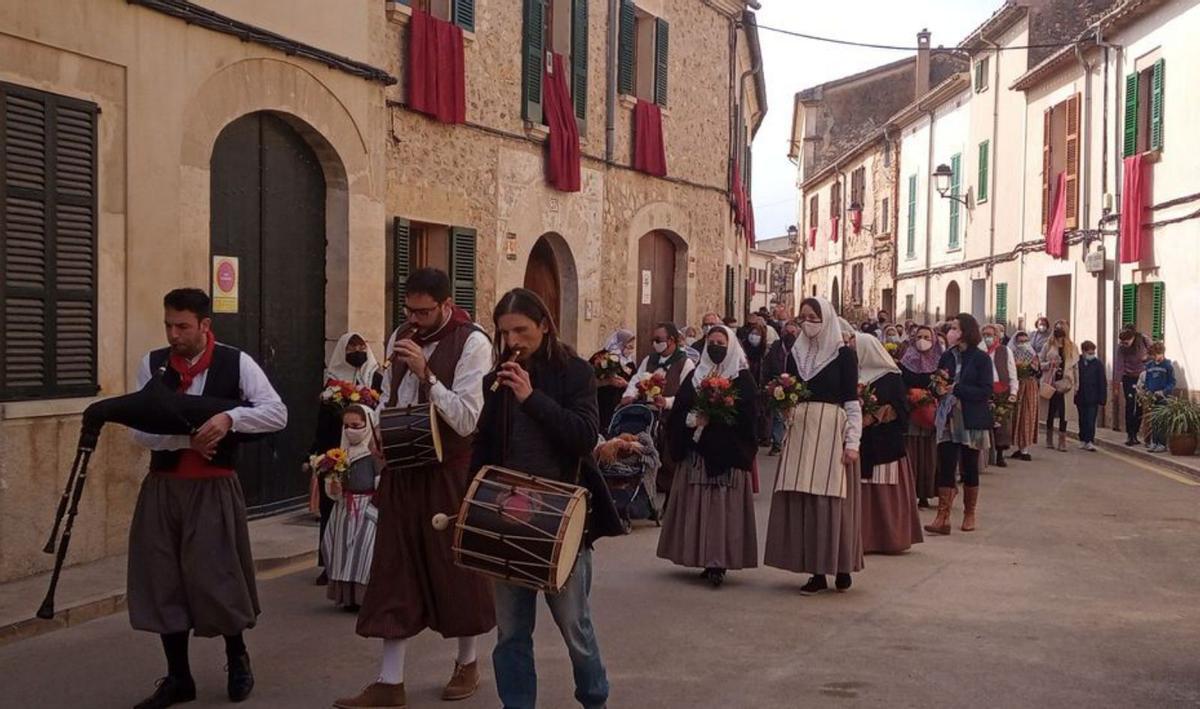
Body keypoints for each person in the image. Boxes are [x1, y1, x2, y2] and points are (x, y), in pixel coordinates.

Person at [337, 268, 494, 709]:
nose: (416, 320)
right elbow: (388, 394)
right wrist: (379, 428)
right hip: (404, 469)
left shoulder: (474, 343)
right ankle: (390, 681)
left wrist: (427, 374)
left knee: (454, 567)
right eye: (410, 311)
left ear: (446, 305)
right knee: (394, 565)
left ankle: (467, 662)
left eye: (425, 312)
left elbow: (466, 418)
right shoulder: (399, 335)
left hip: (448, 470)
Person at [128, 289, 287, 709]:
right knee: (163, 580)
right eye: (168, 325)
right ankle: (179, 677)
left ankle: (237, 659)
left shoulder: (236, 363)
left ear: (204, 325)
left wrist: (228, 417)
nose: (173, 334)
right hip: (163, 487)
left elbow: (276, 412)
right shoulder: (152, 364)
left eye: (182, 326)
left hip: (214, 487)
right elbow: (139, 430)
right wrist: (186, 440)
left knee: (218, 578)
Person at [471, 288, 623, 709]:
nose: (514, 341)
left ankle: (594, 698)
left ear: (544, 325)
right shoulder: (496, 378)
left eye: (522, 330)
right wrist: (471, 502)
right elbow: (484, 444)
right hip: (508, 512)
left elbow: (583, 437)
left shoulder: (575, 373)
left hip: (563, 515)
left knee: (575, 627)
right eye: (505, 334)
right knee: (511, 632)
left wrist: (530, 398)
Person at [763, 297, 864, 594]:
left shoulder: (844, 355)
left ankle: (840, 564)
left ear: (827, 319)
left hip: (831, 429)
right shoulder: (796, 354)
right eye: (803, 316)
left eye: (813, 316)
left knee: (830, 500)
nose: (807, 322)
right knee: (804, 500)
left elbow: (851, 401)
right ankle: (816, 571)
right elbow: (791, 390)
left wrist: (853, 441)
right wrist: (783, 403)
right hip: (802, 430)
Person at [657, 325, 759, 587]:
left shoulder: (741, 378)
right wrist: (692, 419)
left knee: (721, 509)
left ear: (731, 345)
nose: (715, 346)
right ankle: (702, 555)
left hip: (728, 455)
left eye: (721, 342)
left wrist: (718, 418)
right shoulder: (696, 375)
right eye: (711, 341)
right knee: (699, 506)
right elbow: (680, 408)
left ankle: (719, 561)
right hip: (698, 455)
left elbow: (750, 417)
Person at [313, 332, 383, 586]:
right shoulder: (332, 384)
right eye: (351, 346)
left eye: (360, 345)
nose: (356, 350)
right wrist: (316, 454)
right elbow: (322, 422)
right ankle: (329, 564)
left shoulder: (376, 377)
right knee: (331, 509)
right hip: (336, 450)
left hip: (367, 450)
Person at [924, 314, 993, 535]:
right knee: (945, 464)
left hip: (970, 418)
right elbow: (937, 381)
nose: (951, 331)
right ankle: (942, 516)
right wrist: (937, 388)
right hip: (948, 417)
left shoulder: (981, 358)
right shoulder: (947, 356)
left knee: (969, 466)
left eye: (955, 327)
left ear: (966, 331)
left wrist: (958, 389)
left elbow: (985, 390)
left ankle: (969, 513)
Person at [856, 335, 922, 554]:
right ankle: (863, 538)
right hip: (861, 442)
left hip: (885, 442)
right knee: (863, 490)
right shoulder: (854, 375)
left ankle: (889, 538)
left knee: (884, 491)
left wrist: (879, 415)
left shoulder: (891, 376)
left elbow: (902, 410)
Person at [623, 323, 696, 500]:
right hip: (647, 412)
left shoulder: (685, 363)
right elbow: (636, 379)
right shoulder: (650, 360)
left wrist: (668, 402)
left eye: (659, 340)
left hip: (670, 416)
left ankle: (670, 495)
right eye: (653, 340)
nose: (655, 344)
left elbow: (687, 393)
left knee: (669, 456)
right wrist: (629, 394)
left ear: (671, 341)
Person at [321, 404, 382, 611]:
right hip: (344, 509)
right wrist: (335, 487)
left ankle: (365, 598)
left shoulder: (374, 453)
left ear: (367, 424)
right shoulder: (341, 453)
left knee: (365, 552)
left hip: (367, 509)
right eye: (346, 426)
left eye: (356, 425)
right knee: (340, 551)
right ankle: (347, 597)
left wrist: (375, 506)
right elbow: (333, 486)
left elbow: (381, 482)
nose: (350, 430)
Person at [898, 325, 942, 507]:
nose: (922, 340)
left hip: (931, 414)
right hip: (912, 413)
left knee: (929, 454)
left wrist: (932, 397)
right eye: (919, 337)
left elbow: (943, 386)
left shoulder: (939, 363)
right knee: (912, 452)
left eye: (927, 337)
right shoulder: (905, 363)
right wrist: (912, 396)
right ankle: (911, 492)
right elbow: (900, 386)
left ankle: (926, 493)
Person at [763, 320, 801, 455]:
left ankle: (792, 443)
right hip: (777, 384)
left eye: (792, 332)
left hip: (795, 386)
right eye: (787, 332)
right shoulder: (776, 347)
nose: (789, 335)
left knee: (793, 415)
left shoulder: (801, 348)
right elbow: (767, 365)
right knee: (778, 415)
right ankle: (777, 443)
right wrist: (768, 383)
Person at [1040, 320, 1078, 452]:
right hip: (1051, 382)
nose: (1059, 339)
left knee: (1064, 412)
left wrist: (1076, 384)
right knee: (1051, 411)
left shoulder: (1072, 347)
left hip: (1066, 383)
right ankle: (1049, 438)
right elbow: (1040, 362)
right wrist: (1050, 364)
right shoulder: (1048, 345)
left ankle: (1062, 440)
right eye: (1057, 335)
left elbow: (1075, 367)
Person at [983, 323, 1017, 468]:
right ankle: (986, 455)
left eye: (990, 335)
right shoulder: (980, 351)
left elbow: (1012, 371)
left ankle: (1000, 455)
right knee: (987, 423)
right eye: (984, 335)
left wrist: (1014, 392)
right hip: (985, 389)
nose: (987, 338)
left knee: (1002, 424)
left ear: (997, 336)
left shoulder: (1005, 350)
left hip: (1002, 389)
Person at [591, 329, 637, 434]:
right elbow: (589, 379)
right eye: (628, 347)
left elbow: (635, 383)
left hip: (620, 404)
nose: (630, 350)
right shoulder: (602, 357)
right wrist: (607, 381)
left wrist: (626, 384)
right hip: (601, 400)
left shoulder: (630, 363)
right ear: (620, 344)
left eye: (632, 348)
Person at [1008, 330, 1041, 461]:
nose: (1023, 344)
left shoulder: (1033, 355)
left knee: (1027, 415)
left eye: (1025, 341)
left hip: (1029, 387)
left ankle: (1025, 447)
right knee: (1015, 416)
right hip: (1016, 386)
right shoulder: (1011, 355)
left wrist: (1032, 367)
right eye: (1020, 342)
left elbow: (1038, 373)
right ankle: (1018, 446)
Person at [1115, 325, 1151, 445]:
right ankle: (1130, 435)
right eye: (1122, 342)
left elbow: (1155, 352)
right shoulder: (1121, 348)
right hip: (1128, 378)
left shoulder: (1144, 340)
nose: (1124, 344)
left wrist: (1147, 358)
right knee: (1130, 405)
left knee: (1140, 406)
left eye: (1126, 342)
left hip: (1142, 377)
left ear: (1133, 337)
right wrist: (1116, 385)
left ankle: (1136, 433)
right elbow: (1119, 366)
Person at [1141, 342, 1176, 453]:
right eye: (1154, 355)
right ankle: (1154, 442)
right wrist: (1147, 391)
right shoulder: (1150, 366)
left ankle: (1162, 443)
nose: (1156, 357)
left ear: (1162, 353)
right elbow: (1147, 381)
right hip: (1152, 397)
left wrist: (1164, 391)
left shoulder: (1168, 366)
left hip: (1163, 398)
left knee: (1161, 421)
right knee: (1154, 421)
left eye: (1157, 355)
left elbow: (1172, 382)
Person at [742, 320, 771, 444]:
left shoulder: (765, 351)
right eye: (752, 333)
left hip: (760, 387)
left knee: (760, 413)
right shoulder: (743, 349)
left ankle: (762, 435)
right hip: (747, 387)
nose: (754, 336)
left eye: (757, 334)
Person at [1074, 341, 1107, 452]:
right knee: (1082, 419)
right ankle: (1082, 439)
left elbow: (1102, 381)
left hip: (1093, 396)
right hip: (1080, 395)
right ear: (1083, 351)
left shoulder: (1097, 364)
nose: (1091, 354)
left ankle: (1090, 441)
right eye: (1089, 352)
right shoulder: (1077, 362)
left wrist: (1102, 398)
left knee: (1091, 419)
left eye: (1093, 352)